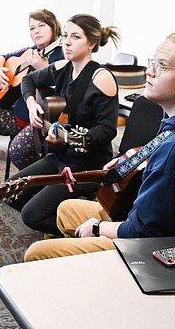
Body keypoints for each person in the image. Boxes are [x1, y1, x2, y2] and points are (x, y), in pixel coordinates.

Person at [25, 29, 175, 261]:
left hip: (155, 251)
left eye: (162, 66)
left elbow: (143, 233)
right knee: (66, 209)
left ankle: (79, 272)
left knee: (36, 253)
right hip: (169, 222)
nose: (150, 71)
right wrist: (145, 162)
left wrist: (97, 228)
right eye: (153, 62)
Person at [6, 14, 120, 236]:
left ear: (92, 43)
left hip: (86, 165)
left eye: (75, 37)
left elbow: (107, 131)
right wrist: (31, 105)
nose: (66, 42)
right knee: (11, 191)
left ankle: (82, 235)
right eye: (65, 35)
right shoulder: (62, 67)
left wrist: (67, 137)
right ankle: (60, 218)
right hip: (59, 156)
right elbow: (28, 81)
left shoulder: (101, 78)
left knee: (31, 215)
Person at [0, 9, 64, 193]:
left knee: (17, 149)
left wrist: (45, 68)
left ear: (54, 27)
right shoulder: (30, 51)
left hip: (41, 121)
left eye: (42, 26)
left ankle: (38, 186)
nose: (36, 31)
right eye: (32, 28)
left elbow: (65, 89)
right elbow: (3, 57)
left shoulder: (61, 55)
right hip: (19, 115)